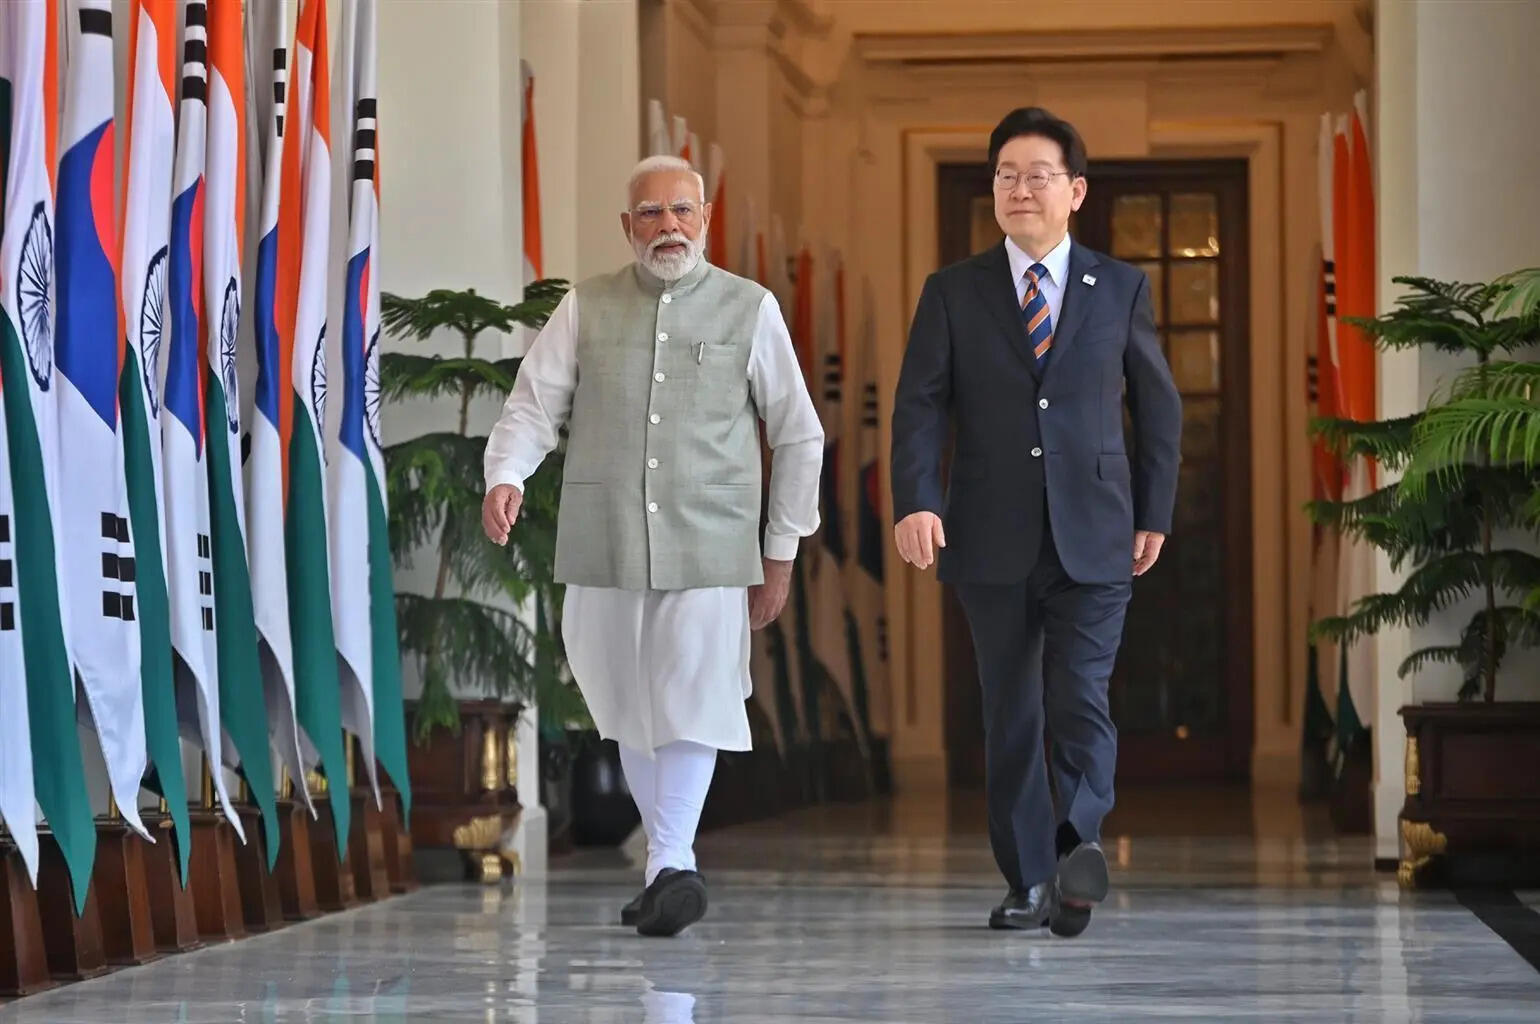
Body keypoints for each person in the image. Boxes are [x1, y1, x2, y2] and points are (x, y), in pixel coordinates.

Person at [482, 155, 824, 937]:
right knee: (626, 705)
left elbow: (800, 435)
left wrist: (781, 551)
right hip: (604, 540)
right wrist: (506, 474)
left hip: (711, 543)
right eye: (651, 214)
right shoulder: (587, 305)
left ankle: (674, 861)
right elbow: (534, 405)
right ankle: (663, 867)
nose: (668, 226)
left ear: (705, 218)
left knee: (693, 700)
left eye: (682, 210)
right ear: (627, 226)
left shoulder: (751, 307)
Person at [889, 107, 1182, 938]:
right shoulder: (952, 291)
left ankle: (1077, 848)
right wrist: (917, 498)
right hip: (989, 533)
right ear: (993, 191)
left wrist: (1155, 510)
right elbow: (918, 406)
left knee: (1080, 699)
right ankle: (1026, 882)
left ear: (1075, 190)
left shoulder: (1121, 287)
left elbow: (1158, 408)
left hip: (1098, 529)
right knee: (1011, 712)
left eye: (1038, 174)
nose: (1021, 188)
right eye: (1007, 175)